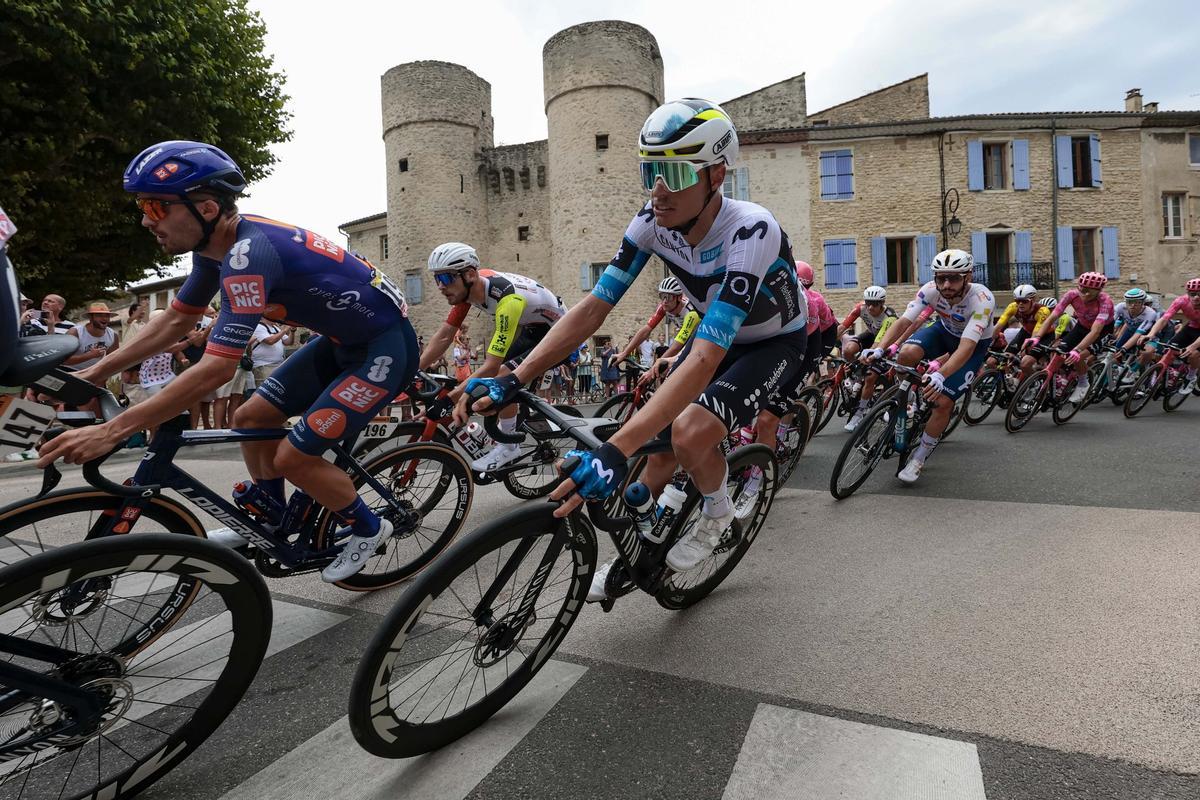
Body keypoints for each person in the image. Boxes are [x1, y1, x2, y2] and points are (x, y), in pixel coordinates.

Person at [458, 98, 808, 591]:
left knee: (688, 432)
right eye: (650, 173)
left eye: (676, 175)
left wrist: (613, 451)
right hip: (716, 334)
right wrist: (515, 377)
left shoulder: (751, 228)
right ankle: (648, 540)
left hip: (774, 343)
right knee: (655, 445)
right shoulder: (650, 224)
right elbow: (591, 310)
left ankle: (717, 511)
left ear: (716, 176)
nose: (659, 192)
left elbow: (707, 356)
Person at [38, 140, 417, 584]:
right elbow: (176, 322)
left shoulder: (247, 255)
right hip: (340, 342)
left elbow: (217, 368)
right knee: (250, 416)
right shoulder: (213, 251)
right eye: (143, 206)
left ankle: (368, 527)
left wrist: (114, 428)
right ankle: (273, 515)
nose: (145, 220)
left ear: (206, 208)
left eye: (156, 207)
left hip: (384, 350)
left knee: (294, 456)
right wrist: (94, 373)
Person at [418, 242, 568, 471]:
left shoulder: (507, 301)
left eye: (446, 278)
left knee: (500, 376)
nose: (440, 286)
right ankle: (510, 427)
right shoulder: (471, 289)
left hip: (560, 334)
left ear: (469, 274)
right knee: (496, 381)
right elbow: (444, 335)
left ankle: (509, 447)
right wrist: (413, 370)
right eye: (436, 279)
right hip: (534, 328)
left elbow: (490, 367)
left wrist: (450, 400)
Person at [865, 249, 994, 484]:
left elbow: (965, 347)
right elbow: (904, 321)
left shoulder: (982, 299)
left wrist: (941, 376)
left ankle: (919, 459)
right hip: (943, 332)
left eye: (954, 278)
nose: (946, 284)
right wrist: (881, 348)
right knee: (907, 352)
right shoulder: (931, 290)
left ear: (968, 277)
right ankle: (908, 399)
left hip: (972, 346)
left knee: (943, 402)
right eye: (941, 277)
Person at [1024, 272, 1114, 404]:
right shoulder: (1071, 295)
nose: (1085, 294)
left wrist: (1077, 350)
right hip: (1081, 326)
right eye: (1082, 290)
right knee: (1058, 351)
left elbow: (1095, 331)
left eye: (1090, 292)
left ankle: (1083, 383)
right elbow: (1052, 317)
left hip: (1102, 331)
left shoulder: (1105, 301)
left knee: (1079, 356)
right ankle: (1052, 378)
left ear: (1099, 291)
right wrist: (1037, 337)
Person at [1136, 278, 1200, 395]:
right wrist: (1151, 334)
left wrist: (1192, 346)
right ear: (1188, 294)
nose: (1196, 297)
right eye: (1193, 294)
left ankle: (1191, 377)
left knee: (1194, 354)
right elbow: (1164, 319)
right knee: (1170, 348)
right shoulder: (1181, 301)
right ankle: (1159, 377)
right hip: (1192, 327)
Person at [988, 284, 1049, 379]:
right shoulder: (1013, 307)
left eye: (1024, 301)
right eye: (1017, 301)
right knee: (1004, 357)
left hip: (1044, 335)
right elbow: (999, 325)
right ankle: (1008, 381)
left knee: (1025, 364)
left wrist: (1026, 349)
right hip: (1025, 332)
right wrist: (987, 342)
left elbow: (1036, 333)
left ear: (1033, 301)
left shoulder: (1042, 311)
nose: (1020, 304)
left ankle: (1036, 383)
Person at [836, 286, 896, 363]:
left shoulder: (889, 316)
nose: (870, 307)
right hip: (871, 334)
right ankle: (856, 368)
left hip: (884, 339)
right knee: (848, 351)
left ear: (882, 303)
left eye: (874, 304)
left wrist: (866, 355)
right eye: (868, 303)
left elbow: (877, 342)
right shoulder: (860, 308)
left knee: (869, 357)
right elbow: (841, 328)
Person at [66, 302, 120, 370]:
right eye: (100, 315)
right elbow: (64, 360)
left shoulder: (113, 335)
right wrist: (89, 355)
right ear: (91, 317)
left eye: (107, 316)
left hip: (94, 374)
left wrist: (103, 377)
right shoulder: (75, 332)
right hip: (70, 372)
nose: (104, 318)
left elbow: (113, 360)